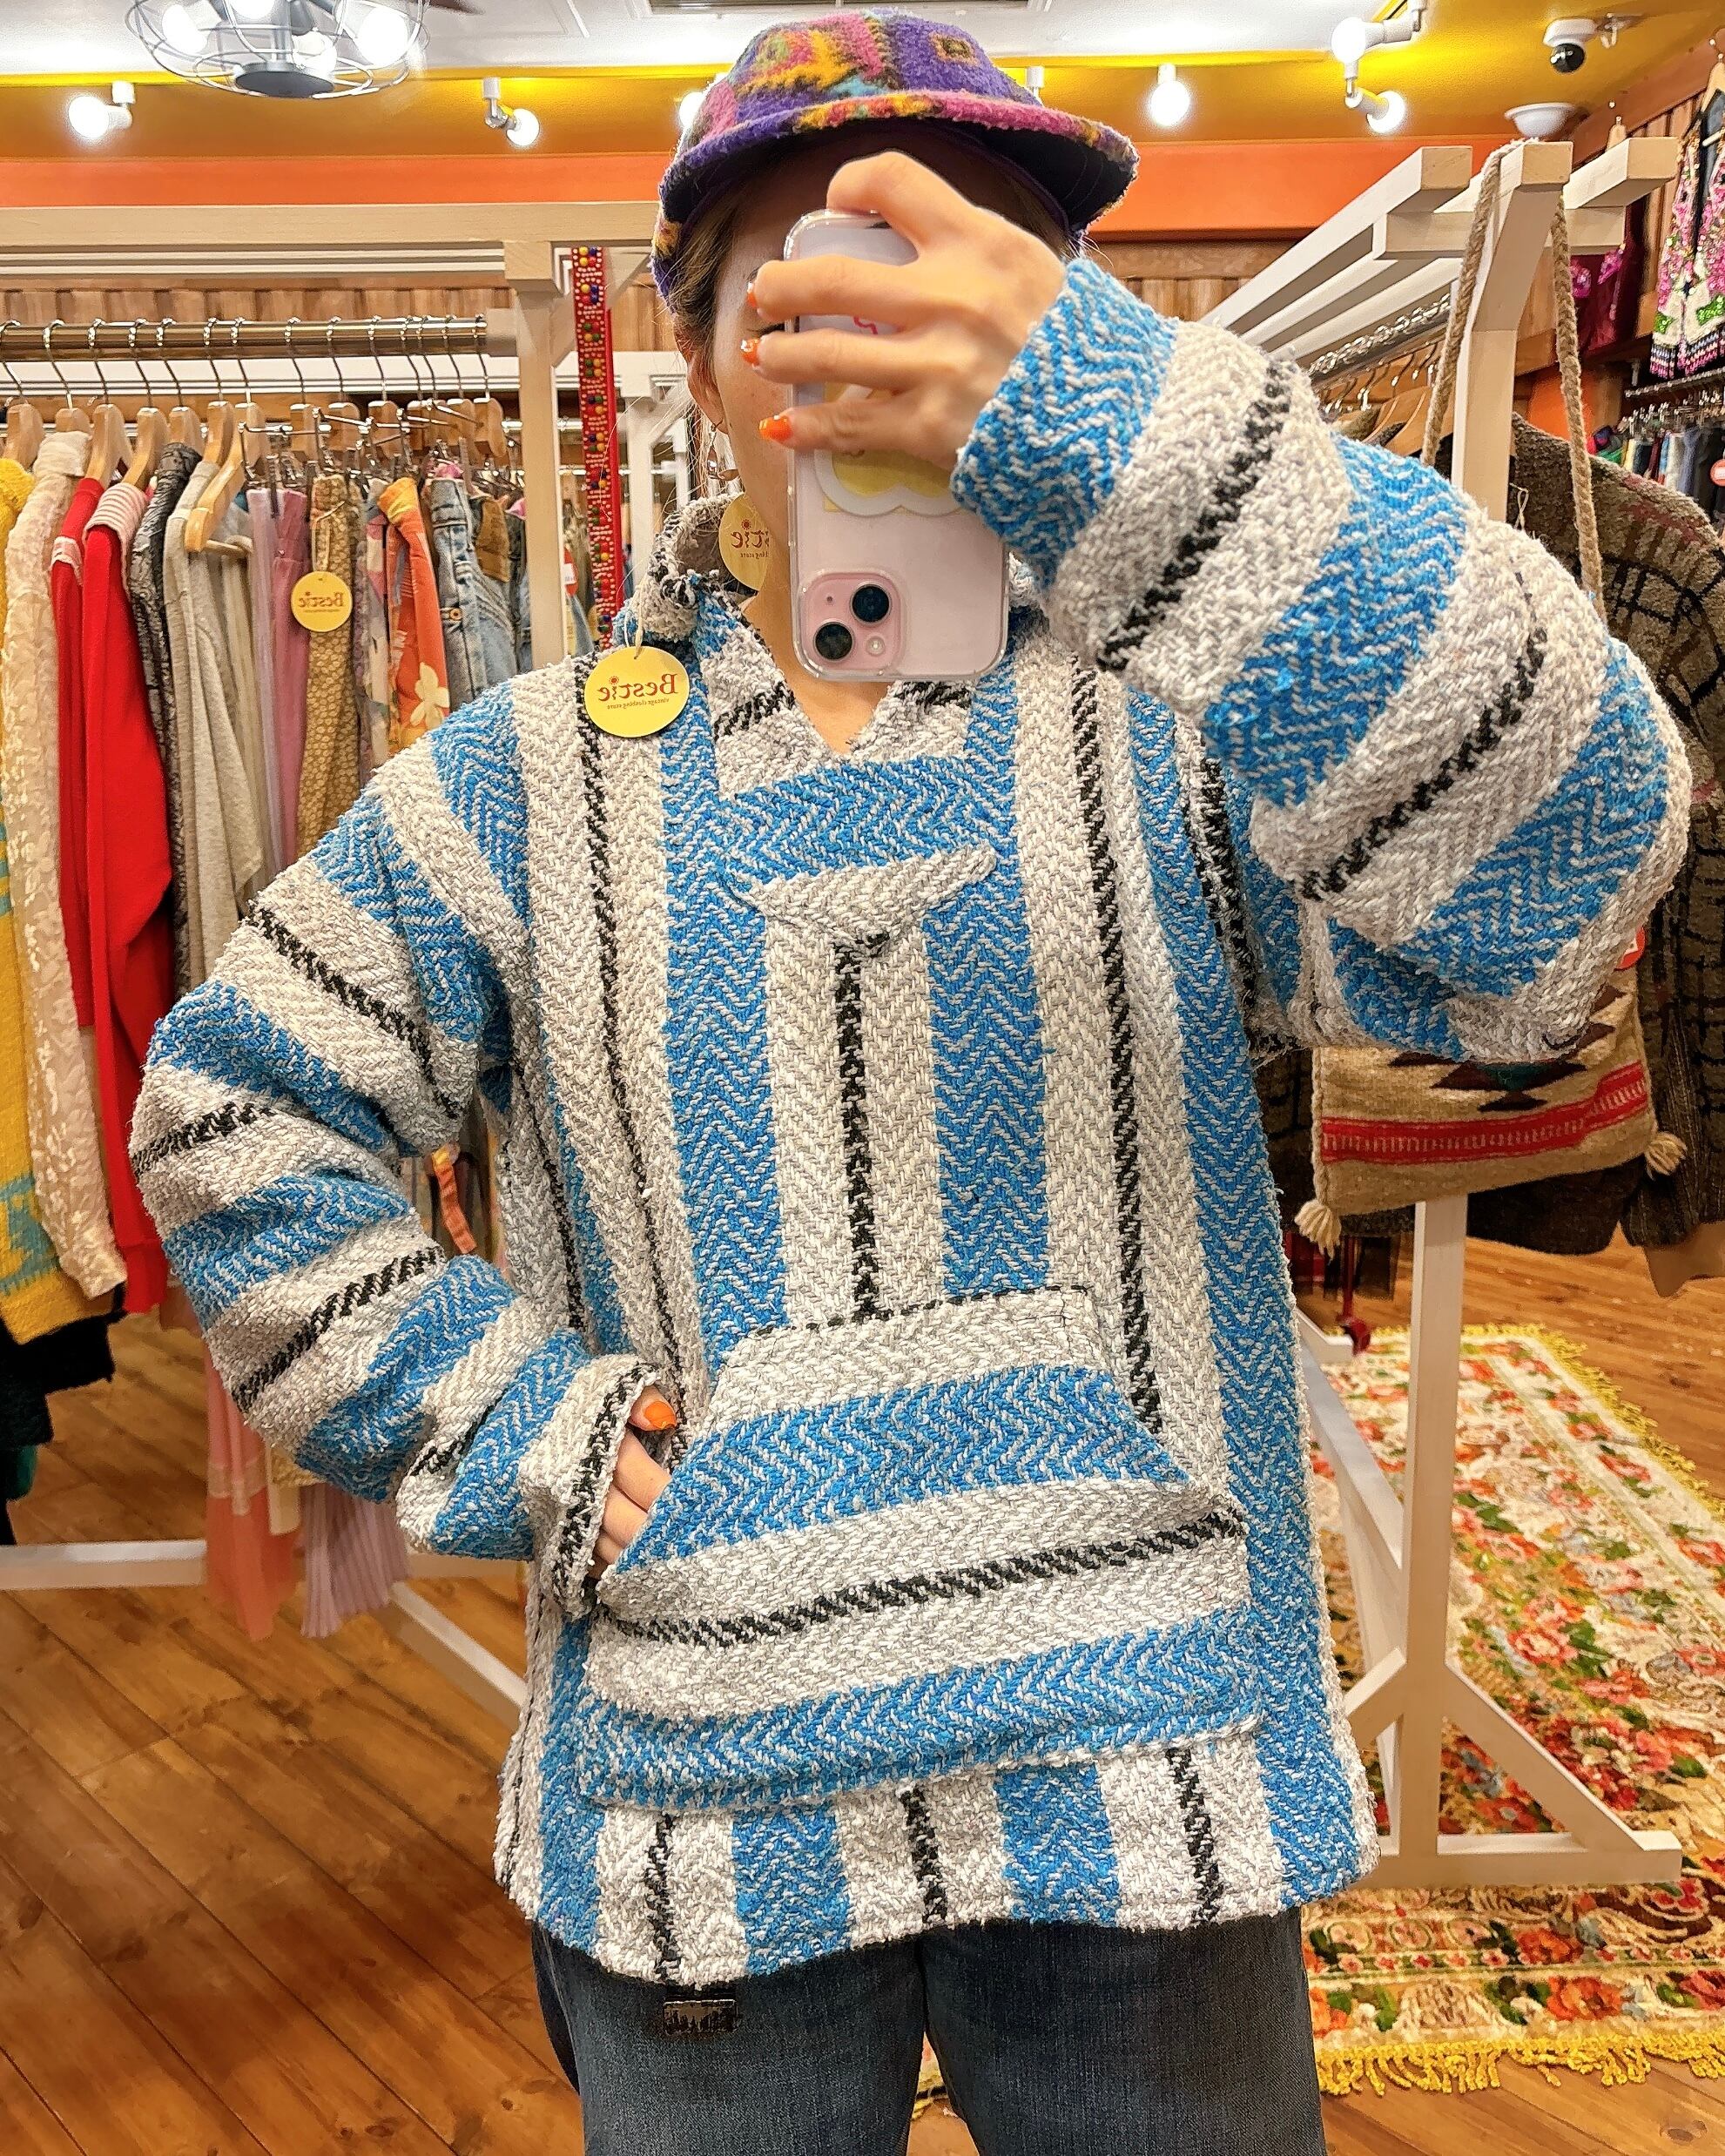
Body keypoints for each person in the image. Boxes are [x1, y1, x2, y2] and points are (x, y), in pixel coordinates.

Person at [132, 13, 1689, 2153]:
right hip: (704, 1797)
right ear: (695, 351)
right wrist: (520, 1424)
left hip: (1145, 1782)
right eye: (819, 278)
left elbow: (1571, 875)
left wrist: (1121, 422)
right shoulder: (522, 783)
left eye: (970, 266)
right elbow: (233, 1114)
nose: (893, 333)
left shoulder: (1181, 730)